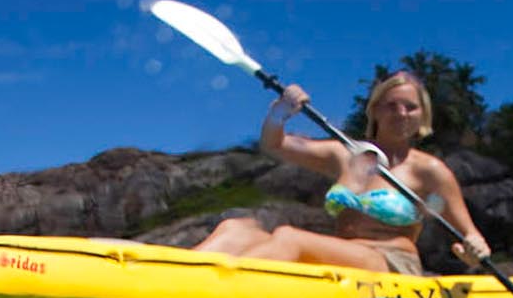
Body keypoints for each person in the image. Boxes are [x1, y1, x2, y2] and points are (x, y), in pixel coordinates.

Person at [194, 71, 491, 277]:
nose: (400, 113)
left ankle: (210, 289)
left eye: (410, 107)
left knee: (289, 238)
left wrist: (473, 250)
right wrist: (279, 114)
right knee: (237, 228)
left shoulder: (430, 171)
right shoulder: (345, 154)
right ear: (374, 112)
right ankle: (169, 275)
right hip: (341, 256)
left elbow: (472, 237)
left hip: (391, 265)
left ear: (423, 116)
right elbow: (275, 145)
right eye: (391, 106)